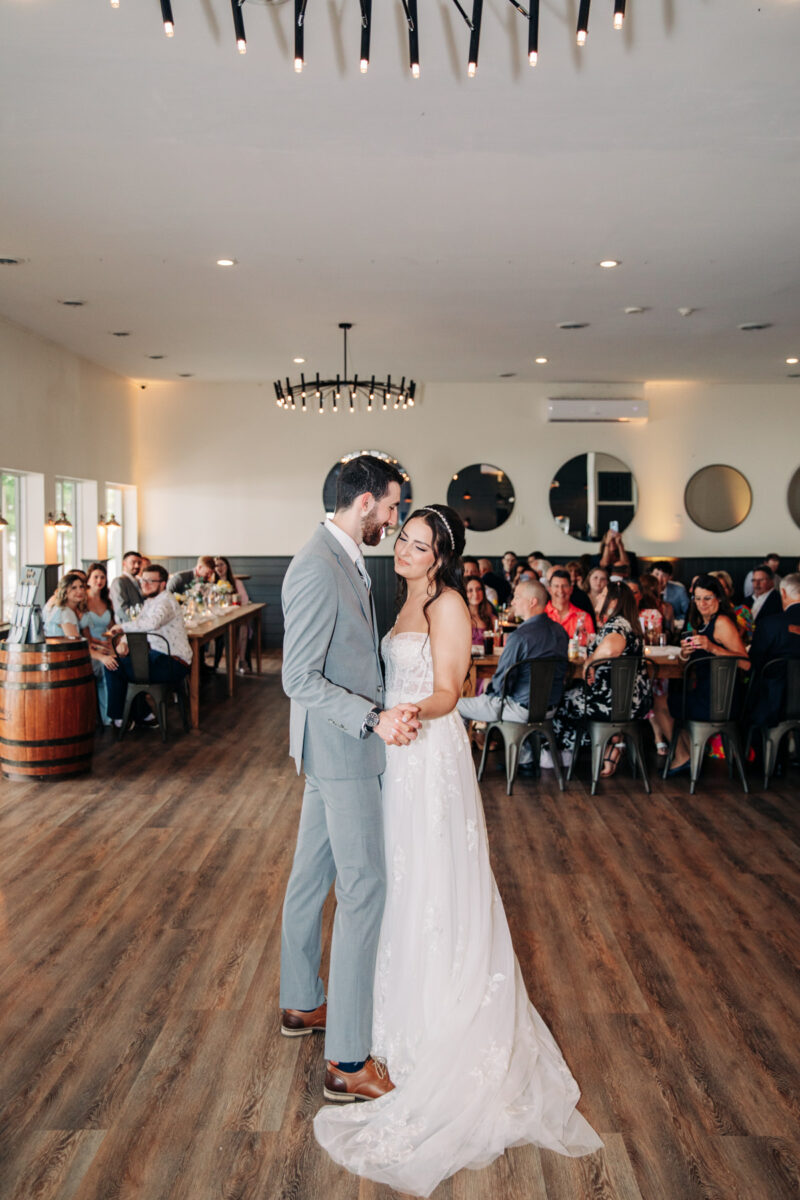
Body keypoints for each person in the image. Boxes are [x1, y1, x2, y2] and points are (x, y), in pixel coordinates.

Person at [315, 507, 601, 1194]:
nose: (407, 551)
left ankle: (443, 1020)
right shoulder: (399, 596)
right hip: (396, 747)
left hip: (427, 748)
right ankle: (390, 1017)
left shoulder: (448, 604)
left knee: (433, 878)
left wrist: (411, 715)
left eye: (420, 544)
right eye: (405, 540)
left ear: (441, 554)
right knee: (397, 880)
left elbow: (450, 688)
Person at [279, 455, 418, 1104]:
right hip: (344, 748)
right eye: (391, 508)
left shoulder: (341, 557)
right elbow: (298, 678)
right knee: (366, 890)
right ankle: (348, 1061)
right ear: (364, 502)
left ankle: (303, 1002)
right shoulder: (316, 566)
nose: (394, 520)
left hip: (331, 751)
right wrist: (374, 718)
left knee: (312, 877)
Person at [457, 577, 568, 767]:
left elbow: (501, 684)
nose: (513, 602)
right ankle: (525, 758)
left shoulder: (519, 637)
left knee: (453, 706)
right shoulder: (560, 632)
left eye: (517, 597)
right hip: (550, 709)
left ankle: (459, 764)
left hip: (520, 709)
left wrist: (489, 698)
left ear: (532, 602)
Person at [552, 581, 652, 776]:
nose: (598, 596)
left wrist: (591, 661)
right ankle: (612, 742)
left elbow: (612, 647)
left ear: (613, 601)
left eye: (603, 594)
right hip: (631, 701)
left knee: (560, 701)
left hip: (612, 702)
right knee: (572, 696)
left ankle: (567, 755)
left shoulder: (617, 625)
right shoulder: (629, 623)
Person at [654, 574, 749, 774]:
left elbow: (746, 664)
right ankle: (688, 754)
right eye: (697, 598)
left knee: (659, 703)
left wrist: (713, 647)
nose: (702, 603)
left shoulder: (722, 622)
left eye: (707, 598)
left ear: (719, 599)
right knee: (661, 701)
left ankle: (683, 755)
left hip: (722, 700)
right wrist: (685, 654)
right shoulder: (701, 624)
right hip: (707, 694)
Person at [105, 563, 193, 730]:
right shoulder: (151, 601)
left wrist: (122, 628)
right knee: (128, 664)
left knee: (113, 667)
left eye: (151, 581)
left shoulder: (166, 601)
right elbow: (139, 624)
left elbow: (152, 623)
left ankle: (119, 717)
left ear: (163, 584)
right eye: (143, 580)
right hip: (159, 657)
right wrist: (124, 641)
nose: (145, 584)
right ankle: (144, 714)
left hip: (174, 662)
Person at [44, 571, 119, 718]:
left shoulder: (70, 609)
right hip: (63, 663)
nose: (79, 591)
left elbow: (81, 640)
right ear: (65, 591)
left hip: (64, 658)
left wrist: (98, 647)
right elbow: (76, 645)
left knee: (110, 659)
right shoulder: (65, 612)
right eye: (74, 588)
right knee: (109, 666)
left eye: (81, 587)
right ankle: (110, 716)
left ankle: (110, 715)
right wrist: (101, 657)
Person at [746, 572, 800, 732]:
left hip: (775, 704)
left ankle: (764, 753)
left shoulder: (770, 624)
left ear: (782, 593)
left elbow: (754, 662)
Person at [81, 562, 115, 725]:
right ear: (88, 580)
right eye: (95, 577)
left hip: (106, 644)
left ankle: (122, 712)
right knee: (107, 666)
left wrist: (113, 643)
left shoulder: (106, 600)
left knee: (122, 661)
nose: (99, 580)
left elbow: (112, 628)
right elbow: (83, 631)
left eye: (102, 577)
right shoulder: (82, 600)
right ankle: (109, 715)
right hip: (90, 647)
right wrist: (99, 646)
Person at [213, 555, 250, 673]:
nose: (219, 568)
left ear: (227, 566)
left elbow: (245, 600)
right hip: (217, 620)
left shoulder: (236, 582)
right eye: (216, 565)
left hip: (235, 617)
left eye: (222, 564)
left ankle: (242, 660)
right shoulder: (211, 584)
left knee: (244, 627)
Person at [545, 567, 596, 640]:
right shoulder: (541, 615)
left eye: (564, 586)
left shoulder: (584, 617)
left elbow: (591, 645)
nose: (560, 590)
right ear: (549, 590)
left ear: (571, 589)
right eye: (556, 586)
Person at [709, 569, 754, 643]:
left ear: (729, 590)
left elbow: (750, 639)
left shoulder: (742, 611)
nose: (720, 592)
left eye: (723, 588)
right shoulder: (702, 613)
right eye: (715, 589)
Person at [109, 549, 142, 621]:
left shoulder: (138, 581)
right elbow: (120, 608)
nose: (137, 566)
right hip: (126, 625)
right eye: (133, 562)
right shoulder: (118, 582)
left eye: (139, 563)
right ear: (124, 564)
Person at [465, 577, 495, 646]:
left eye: (478, 589)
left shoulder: (492, 619)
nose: (475, 594)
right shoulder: (460, 618)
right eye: (470, 590)